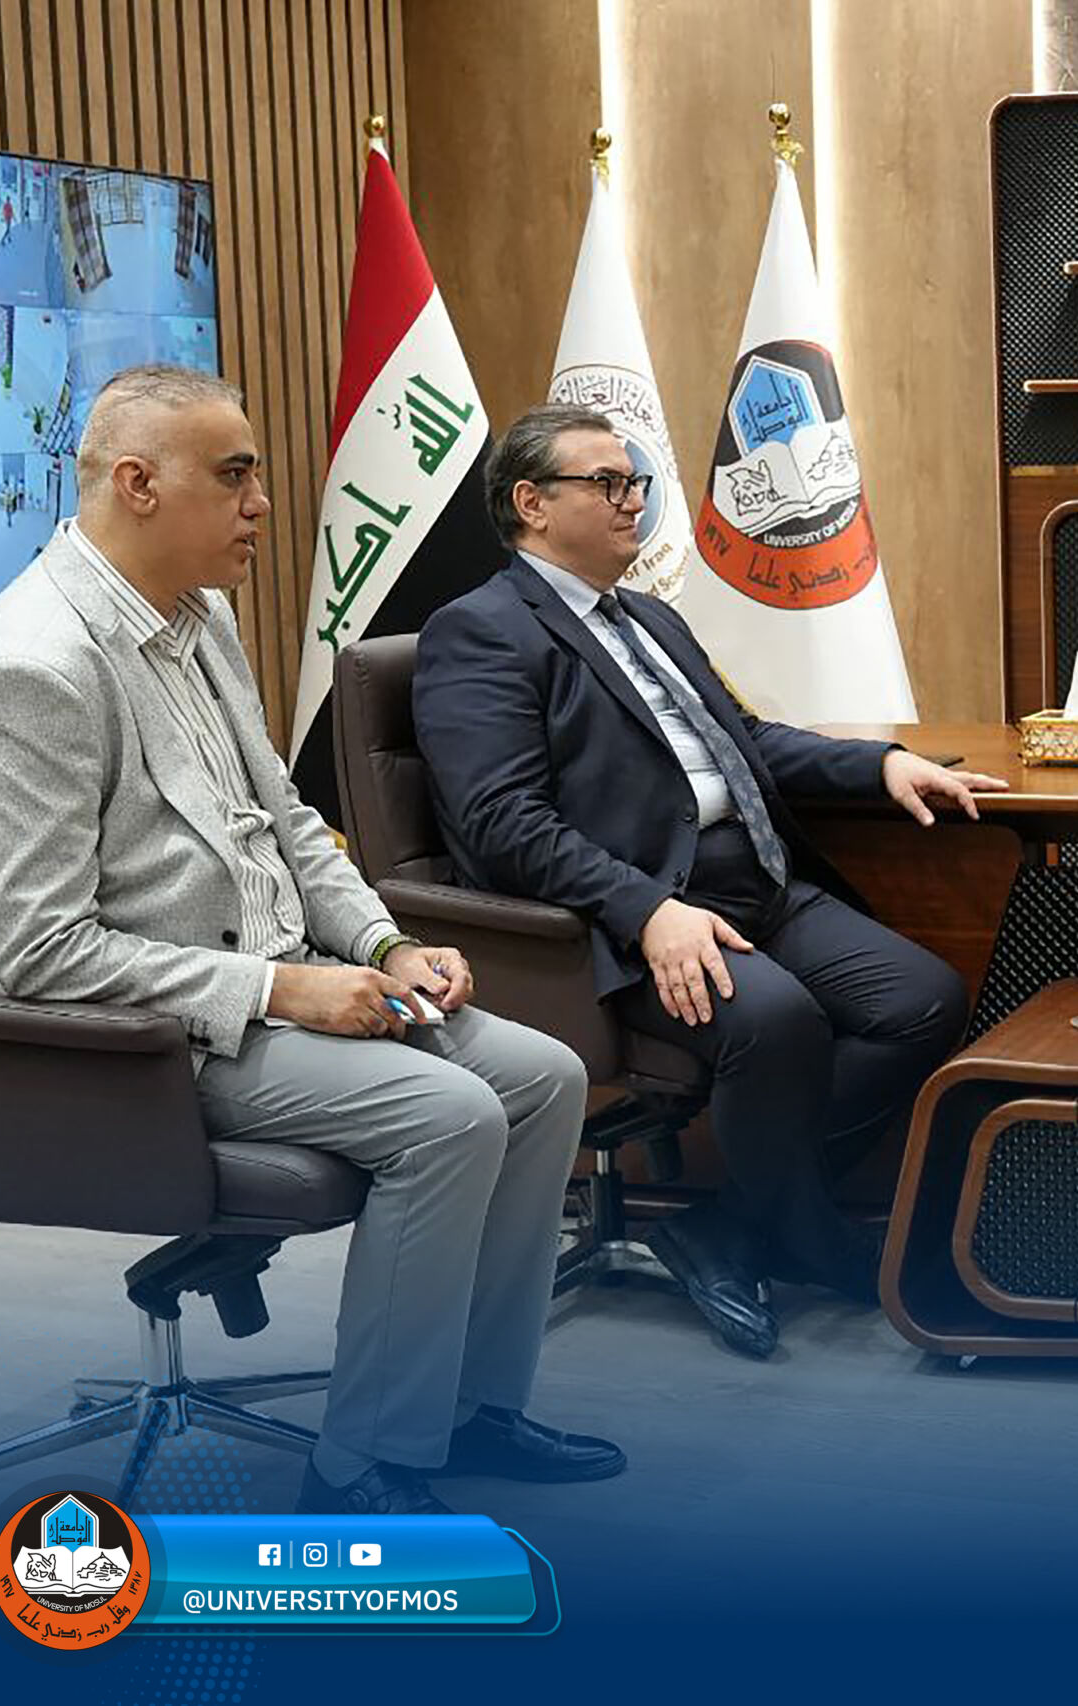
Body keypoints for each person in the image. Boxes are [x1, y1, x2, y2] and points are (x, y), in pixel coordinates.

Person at [0, 365, 611, 1517]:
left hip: (272, 982)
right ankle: (362, 1468)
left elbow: (286, 822)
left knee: (543, 1077)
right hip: (131, 1040)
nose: (260, 503)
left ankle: (467, 1407)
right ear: (138, 484)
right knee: (448, 1114)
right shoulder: (33, 667)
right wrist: (282, 990)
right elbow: (38, 952)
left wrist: (382, 944)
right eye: (235, 475)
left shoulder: (200, 611)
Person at [412, 405, 1005, 1360]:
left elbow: (748, 742)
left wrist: (881, 765)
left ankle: (732, 1226)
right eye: (608, 484)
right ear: (531, 503)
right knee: (777, 1020)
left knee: (920, 999)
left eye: (636, 482)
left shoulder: (650, 616)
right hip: (622, 916)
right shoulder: (478, 632)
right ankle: (813, 1243)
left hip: (753, 884)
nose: (633, 502)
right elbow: (501, 822)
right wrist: (648, 910)